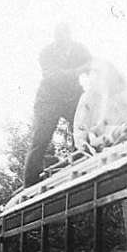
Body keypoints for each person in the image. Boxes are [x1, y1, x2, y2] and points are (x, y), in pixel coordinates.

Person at [24, 23, 92, 186]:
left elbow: (92, 64)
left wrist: (93, 74)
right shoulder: (46, 54)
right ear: (55, 39)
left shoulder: (79, 49)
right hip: (49, 99)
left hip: (72, 96)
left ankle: (82, 161)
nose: (63, 42)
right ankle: (30, 182)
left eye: (66, 37)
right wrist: (79, 70)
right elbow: (56, 76)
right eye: (59, 38)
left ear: (69, 36)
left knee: (83, 129)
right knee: (41, 139)